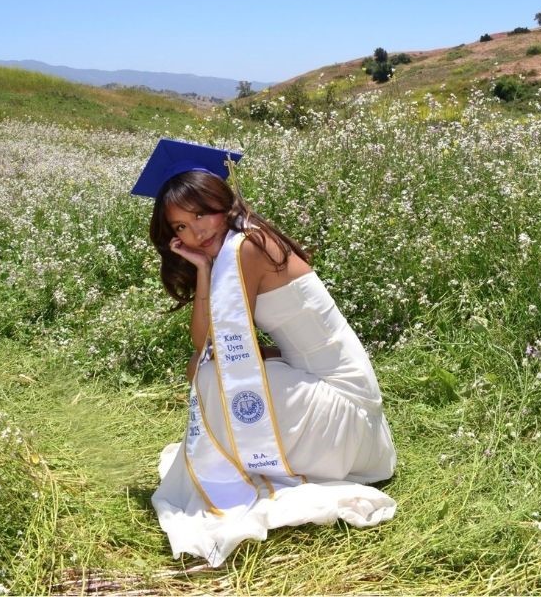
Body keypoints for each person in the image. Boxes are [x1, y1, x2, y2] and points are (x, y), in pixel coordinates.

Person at [131, 138, 397, 567]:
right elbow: (215, 344)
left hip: (346, 416)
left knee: (208, 373)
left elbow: (207, 344)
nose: (196, 232)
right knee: (210, 369)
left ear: (224, 201)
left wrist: (205, 272)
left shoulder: (244, 247)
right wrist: (202, 270)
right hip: (356, 419)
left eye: (201, 213)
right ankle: (257, 454)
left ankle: (248, 461)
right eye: (180, 226)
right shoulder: (241, 241)